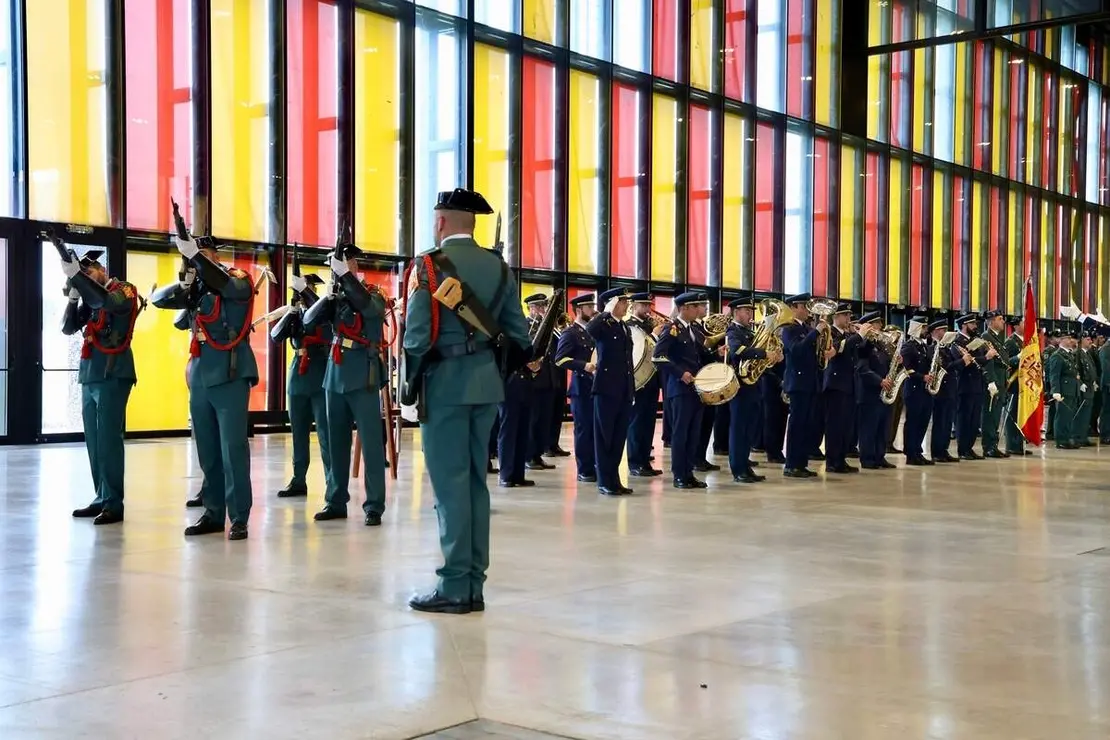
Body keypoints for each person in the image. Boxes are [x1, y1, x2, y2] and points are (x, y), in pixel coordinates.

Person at [402, 187, 532, 614]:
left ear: (441, 222)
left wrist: (409, 386)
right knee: (476, 483)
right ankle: (474, 582)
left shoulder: (430, 265)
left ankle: (455, 584)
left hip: (445, 388)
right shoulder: (499, 268)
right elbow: (519, 334)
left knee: (450, 486)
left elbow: (418, 337)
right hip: (485, 387)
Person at [152, 232, 257, 540]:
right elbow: (162, 304)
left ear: (213, 255)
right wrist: (186, 283)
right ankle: (212, 512)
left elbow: (231, 288)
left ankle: (239, 516)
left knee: (233, 448)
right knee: (207, 450)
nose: (197, 260)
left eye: (202, 254)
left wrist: (196, 258)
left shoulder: (237, 278)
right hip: (199, 375)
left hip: (230, 372)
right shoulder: (198, 288)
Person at [302, 242, 389, 526]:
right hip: (335, 372)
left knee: (372, 445)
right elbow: (308, 321)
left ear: (354, 265)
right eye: (336, 263)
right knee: (336, 441)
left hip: (362, 373)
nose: (339, 267)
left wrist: (348, 281)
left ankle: (374, 504)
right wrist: (320, 297)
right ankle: (335, 499)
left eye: (345, 262)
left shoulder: (373, 292)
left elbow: (370, 309)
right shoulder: (335, 296)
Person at [60, 247, 140, 525]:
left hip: (113, 371)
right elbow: (68, 328)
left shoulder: (124, 289)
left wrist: (79, 280)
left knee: (108, 440)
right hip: (91, 373)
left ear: (102, 270)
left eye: (89, 272)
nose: (86, 278)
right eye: (82, 275)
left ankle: (113, 503)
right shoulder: (89, 299)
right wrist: (72, 299)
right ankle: (101, 496)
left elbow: (109, 303)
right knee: (94, 442)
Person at [270, 273, 333, 498]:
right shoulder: (296, 314)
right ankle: (298, 479)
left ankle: (332, 482)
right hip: (298, 373)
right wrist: (291, 312)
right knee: (298, 431)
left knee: (326, 433)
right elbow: (276, 336)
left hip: (319, 371)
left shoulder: (325, 312)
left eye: (306, 289)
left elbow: (325, 330)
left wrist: (309, 301)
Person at [653, 292, 713, 489]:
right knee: (681, 433)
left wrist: (715, 353)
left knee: (693, 433)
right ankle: (679, 475)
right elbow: (658, 357)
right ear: (684, 308)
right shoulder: (673, 329)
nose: (699, 310)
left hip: (696, 389)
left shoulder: (691, 329)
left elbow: (698, 355)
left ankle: (688, 473)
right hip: (680, 388)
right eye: (695, 307)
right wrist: (680, 373)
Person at [587, 288, 635, 495]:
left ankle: (614, 479)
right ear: (612, 303)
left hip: (624, 389)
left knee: (618, 437)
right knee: (604, 437)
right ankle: (604, 481)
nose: (627, 305)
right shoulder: (603, 325)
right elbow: (590, 330)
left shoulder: (624, 327)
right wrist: (605, 313)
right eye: (623, 301)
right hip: (606, 389)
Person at [780, 293, 833, 478]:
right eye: (803, 306)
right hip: (798, 382)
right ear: (793, 308)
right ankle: (792, 464)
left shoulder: (805, 328)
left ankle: (801, 463)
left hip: (810, 382)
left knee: (807, 425)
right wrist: (816, 332)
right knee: (797, 425)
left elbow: (813, 351)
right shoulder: (788, 329)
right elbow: (797, 350)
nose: (806, 310)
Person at [726, 295, 775, 483]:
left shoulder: (749, 332)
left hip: (753, 386)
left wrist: (772, 357)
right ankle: (738, 468)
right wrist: (763, 353)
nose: (749, 314)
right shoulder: (733, 331)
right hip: (740, 387)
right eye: (746, 311)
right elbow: (736, 350)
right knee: (739, 429)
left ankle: (745, 465)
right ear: (736, 312)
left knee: (749, 428)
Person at [554, 294, 598, 483]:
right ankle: (584, 469)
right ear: (579, 310)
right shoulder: (570, 333)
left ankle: (596, 465)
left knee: (596, 430)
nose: (593, 310)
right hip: (581, 388)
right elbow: (560, 359)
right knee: (584, 430)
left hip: (596, 387)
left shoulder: (594, 331)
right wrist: (583, 365)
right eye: (589, 307)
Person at [626, 293, 663, 477]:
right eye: (644, 305)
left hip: (653, 379)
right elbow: (638, 350)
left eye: (649, 305)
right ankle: (634, 462)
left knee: (649, 422)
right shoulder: (630, 326)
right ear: (633, 306)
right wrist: (656, 335)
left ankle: (644, 459)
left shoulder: (648, 325)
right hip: (638, 380)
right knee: (637, 422)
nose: (648, 309)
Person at [822, 303, 861, 474]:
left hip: (849, 383)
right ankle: (832, 460)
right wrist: (858, 335)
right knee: (835, 425)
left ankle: (841, 458)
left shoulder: (848, 334)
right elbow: (838, 348)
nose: (849, 319)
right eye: (845, 315)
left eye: (849, 315)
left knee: (846, 424)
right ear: (836, 317)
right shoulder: (831, 332)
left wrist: (863, 337)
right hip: (835, 384)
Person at [855, 312, 895, 470]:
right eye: (877, 324)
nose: (881, 327)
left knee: (882, 427)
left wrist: (895, 360)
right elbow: (862, 369)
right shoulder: (864, 346)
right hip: (869, 392)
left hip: (883, 392)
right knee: (869, 428)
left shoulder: (881, 346)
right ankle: (867, 458)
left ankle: (879, 456)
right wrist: (880, 381)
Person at [524, 294, 558, 471]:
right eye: (539, 307)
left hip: (548, 379)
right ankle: (529, 455)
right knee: (533, 420)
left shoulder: (547, 327)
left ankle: (538, 454)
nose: (543, 310)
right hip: (534, 380)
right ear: (531, 308)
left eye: (544, 307)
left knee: (544, 421)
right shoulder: (526, 326)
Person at [950, 314, 990, 460]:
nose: (975, 326)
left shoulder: (975, 341)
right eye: (972, 324)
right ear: (964, 325)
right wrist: (985, 357)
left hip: (976, 385)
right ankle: (963, 449)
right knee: (964, 419)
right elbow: (966, 362)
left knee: (974, 420)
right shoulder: (957, 342)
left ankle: (970, 447)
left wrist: (986, 356)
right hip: (964, 386)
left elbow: (977, 362)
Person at [689, 296, 721, 472]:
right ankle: (695, 458)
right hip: (695, 379)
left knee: (707, 420)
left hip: (705, 378)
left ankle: (700, 456)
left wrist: (717, 352)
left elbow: (705, 352)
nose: (705, 309)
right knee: (699, 423)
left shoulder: (699, 327)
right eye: (701, 306)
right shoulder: (688, 328)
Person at [900, 315, 935, 465]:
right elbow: (906, 369)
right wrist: (922, 377)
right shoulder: (908, 346)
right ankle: (911, 453)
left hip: (925, 390)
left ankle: (918, 451)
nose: (926, 330)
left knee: (923, 421)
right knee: (913, 422)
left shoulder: (924, 346)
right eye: (923, 327)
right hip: (914, 388)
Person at [928, 319, 961, 463]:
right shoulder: (933, 348)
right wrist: (962, 361)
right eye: (942, 330)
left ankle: (944, 449)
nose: (945, 333)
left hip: (950, 389)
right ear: (935, 331)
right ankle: (937, 451)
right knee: (940, 421)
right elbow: (946, 366)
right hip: (941, 390)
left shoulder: (946, 347)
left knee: (947, 422)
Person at [979, 311, 1010, 458]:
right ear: (991, 322)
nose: (1003, 321)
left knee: (996, 416)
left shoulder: (996, 338)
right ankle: (988, 447)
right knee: (990, 416)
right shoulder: (986, 337)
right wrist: (991, 381)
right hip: (994, 383)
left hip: (1001, 381)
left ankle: (993, 445)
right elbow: (989, 363)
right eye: (1000, 319)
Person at [1002, 316, 1031, 455]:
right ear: (1016, 326)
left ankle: (1020, 444)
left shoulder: (1026, 341)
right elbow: (1006, 362)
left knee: (1022, 415)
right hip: (1014, 384)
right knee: (1012, 415)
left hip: (1025, 383)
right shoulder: (1010, 342)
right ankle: (1012, 445)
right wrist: (1018, 357)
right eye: (1023, 322)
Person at [1049, 332, 1081, 449]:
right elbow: (1054, 375)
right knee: (1062, 416)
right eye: (1068, 339)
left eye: (1070, 338)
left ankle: (1066, 438)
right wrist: (1055, 391)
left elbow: (1073, 373)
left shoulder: (1069, 354)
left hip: (1072, 390)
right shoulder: (1057, 355)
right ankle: (1061, 440)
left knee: (1068, 416)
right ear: (1061, 340)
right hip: (1063, 391)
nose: (1070, 341)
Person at [1076, 332, 1098, 446]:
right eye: (1088, 339)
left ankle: (1084, 436)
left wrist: (1094, 381)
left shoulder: (1088, 354)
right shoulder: (1078, 353)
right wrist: (1080, 383)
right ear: (1082, 340)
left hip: (1090, 387)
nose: (1090, 342)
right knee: (1082, 413)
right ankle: (1079, 436)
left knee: (1087, 414)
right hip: (1083, 388)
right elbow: (1077, 371)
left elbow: (1092, 369)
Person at [1100, 328, 1110, 444]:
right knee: (1106, 411)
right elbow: (1106, 368)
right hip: (1108, 385)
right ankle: (1105, 434)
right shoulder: (1106, 348)